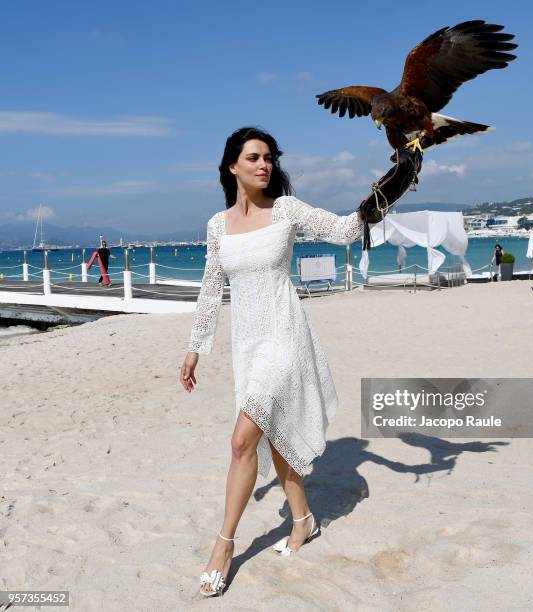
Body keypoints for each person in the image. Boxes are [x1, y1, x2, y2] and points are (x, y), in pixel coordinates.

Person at [180, 127, 369, 597]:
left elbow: (345, 231)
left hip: (285, 336)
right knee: (277, 433)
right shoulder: (217, 225)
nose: (264, 165)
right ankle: (304, 519)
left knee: (243, 439)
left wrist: (387, 189)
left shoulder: (285, 209)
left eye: (268, 157)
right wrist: (195, 347)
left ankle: (223, 546)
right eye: (253, 157)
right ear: (232, 166)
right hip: (248, 345)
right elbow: (210, 288)